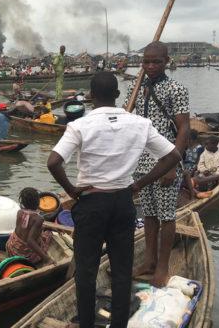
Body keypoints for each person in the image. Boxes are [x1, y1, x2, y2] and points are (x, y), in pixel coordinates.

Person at [48, 72, 181, 328]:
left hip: (91, 202)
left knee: (86, 273)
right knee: (122, 270)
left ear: (90, 96)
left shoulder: (80, 126)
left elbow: (53, 162)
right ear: (118, 95)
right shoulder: (140, 124)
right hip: (123, 202)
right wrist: (139, 184)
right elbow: (172, 156)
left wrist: (72, 190)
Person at [125, 41, 189, 288]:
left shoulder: (176, 89)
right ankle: (149, 261)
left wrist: (174, 163)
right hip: (141, 162)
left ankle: (162, 266)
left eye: (156, 62)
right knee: (149, 215)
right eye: (146, 62)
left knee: (166, 216)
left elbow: (184, 128)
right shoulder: (135, 87)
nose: (151, 66)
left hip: (166, 162)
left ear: (166, 62)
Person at [5, 188, 52, 264]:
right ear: (37, 202)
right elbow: (30, 241)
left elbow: (24, 228)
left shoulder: (19, 212)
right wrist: (47, 259)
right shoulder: (38, 219)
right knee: (48, 234)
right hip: (24, 256)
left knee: (41, 232)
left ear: (23, 202)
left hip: (11, 248)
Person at [181, 130, 203, 198]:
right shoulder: (186, 147)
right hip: (185, 166)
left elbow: (198, 163)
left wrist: (192, 172)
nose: (188, 141)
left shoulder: (199, 148)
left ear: (194, 139)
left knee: (189, 178)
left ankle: (193, 191)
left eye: (189, 139)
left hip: (194, 167)